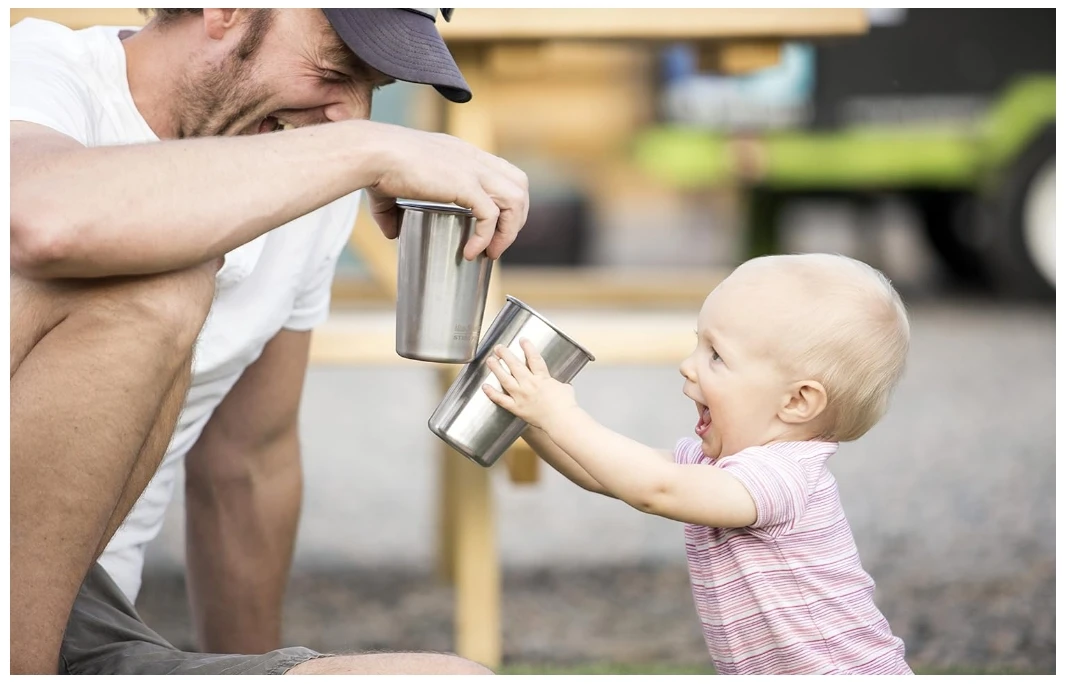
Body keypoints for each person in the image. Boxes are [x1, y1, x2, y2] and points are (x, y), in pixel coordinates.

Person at [10, 7, 527, 675]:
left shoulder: (306, 168)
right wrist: (369, 150)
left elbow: (247, 463)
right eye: (335, 69)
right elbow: (45, 218)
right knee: (159, 284)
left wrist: (268, 666)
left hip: (90, 625)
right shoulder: (37, 69)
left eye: (373, 87)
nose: (350, 114)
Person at [482, 253, 915, 675]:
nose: (687, 367)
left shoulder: (783, 477)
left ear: (797, 401)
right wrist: (531, 420)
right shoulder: (722, 467)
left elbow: (655, 489)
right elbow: (607, 477)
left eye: (716, 356)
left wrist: (560, 414)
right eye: (697, 343)